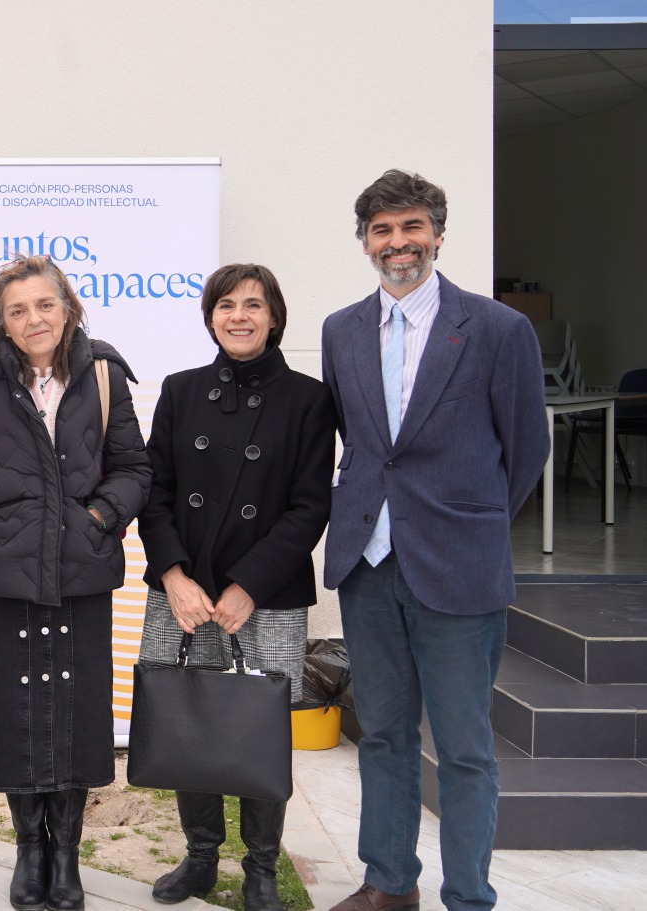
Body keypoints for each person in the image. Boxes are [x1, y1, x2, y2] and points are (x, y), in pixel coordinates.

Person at [321, 171, 548, 911]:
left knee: (464, 749)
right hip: (370, 565)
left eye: (411, 227)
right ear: (365, 243)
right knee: (382, 736)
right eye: (382, 231)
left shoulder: (497, 329)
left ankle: (469, 896)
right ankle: (389, 883)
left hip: (458, 569)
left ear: (438, 235)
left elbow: (526, 448)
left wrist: (465, 522)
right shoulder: (341, 330)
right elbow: (363, 443)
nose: (398, 243)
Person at [138, 264, 336, 911]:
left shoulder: (308, 398)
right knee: (185, 720)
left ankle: (259, 868)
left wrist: (250, 582)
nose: (240, 315)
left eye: (254, 304)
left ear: (274, 316)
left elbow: (310, 507)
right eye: (227, 304)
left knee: (259, 731)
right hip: (183, 590)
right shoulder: (180, 390)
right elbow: (154, 491)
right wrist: (173, 575)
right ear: (211, 316)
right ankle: (199, 859)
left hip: (268, 592)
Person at [0, 255, 150, 911]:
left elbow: (133, 466)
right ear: (2, 320)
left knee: (75, 716)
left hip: (81, 570)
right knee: (14, 713)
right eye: (17, 309)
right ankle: (30, 851)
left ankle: (67, 856)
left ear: (67, 307)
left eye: (44, 304)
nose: (33, 319)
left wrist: (97, 518)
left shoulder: (102, 372)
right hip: (4, 573)